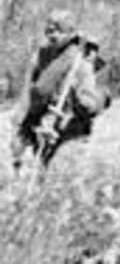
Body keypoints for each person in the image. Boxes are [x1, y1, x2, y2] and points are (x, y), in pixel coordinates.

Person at [9, 9, 110, 170]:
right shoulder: (42, 56)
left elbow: (91, 101)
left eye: (58, 31)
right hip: (42, 125)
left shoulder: (82, 60)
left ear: (69, 33)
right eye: (49, 31)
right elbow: (29, 93)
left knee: (62, 172)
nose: (52, 35)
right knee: (39, 167)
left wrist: (82, 102)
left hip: (71, 130)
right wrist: (22, 127)